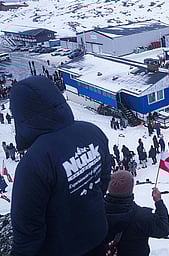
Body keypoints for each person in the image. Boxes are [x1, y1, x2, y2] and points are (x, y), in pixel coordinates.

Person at [10, 76, 111, 256]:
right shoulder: (92, 132)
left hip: (62, 248)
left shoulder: (35, 162)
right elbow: (103, 181)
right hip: (96, 234)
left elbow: (28, 228)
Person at [104, 170, 169, 256]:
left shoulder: (94, 213)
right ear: (131, 188)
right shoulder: (143, 216)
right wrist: (158, 201)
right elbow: (164, 229)